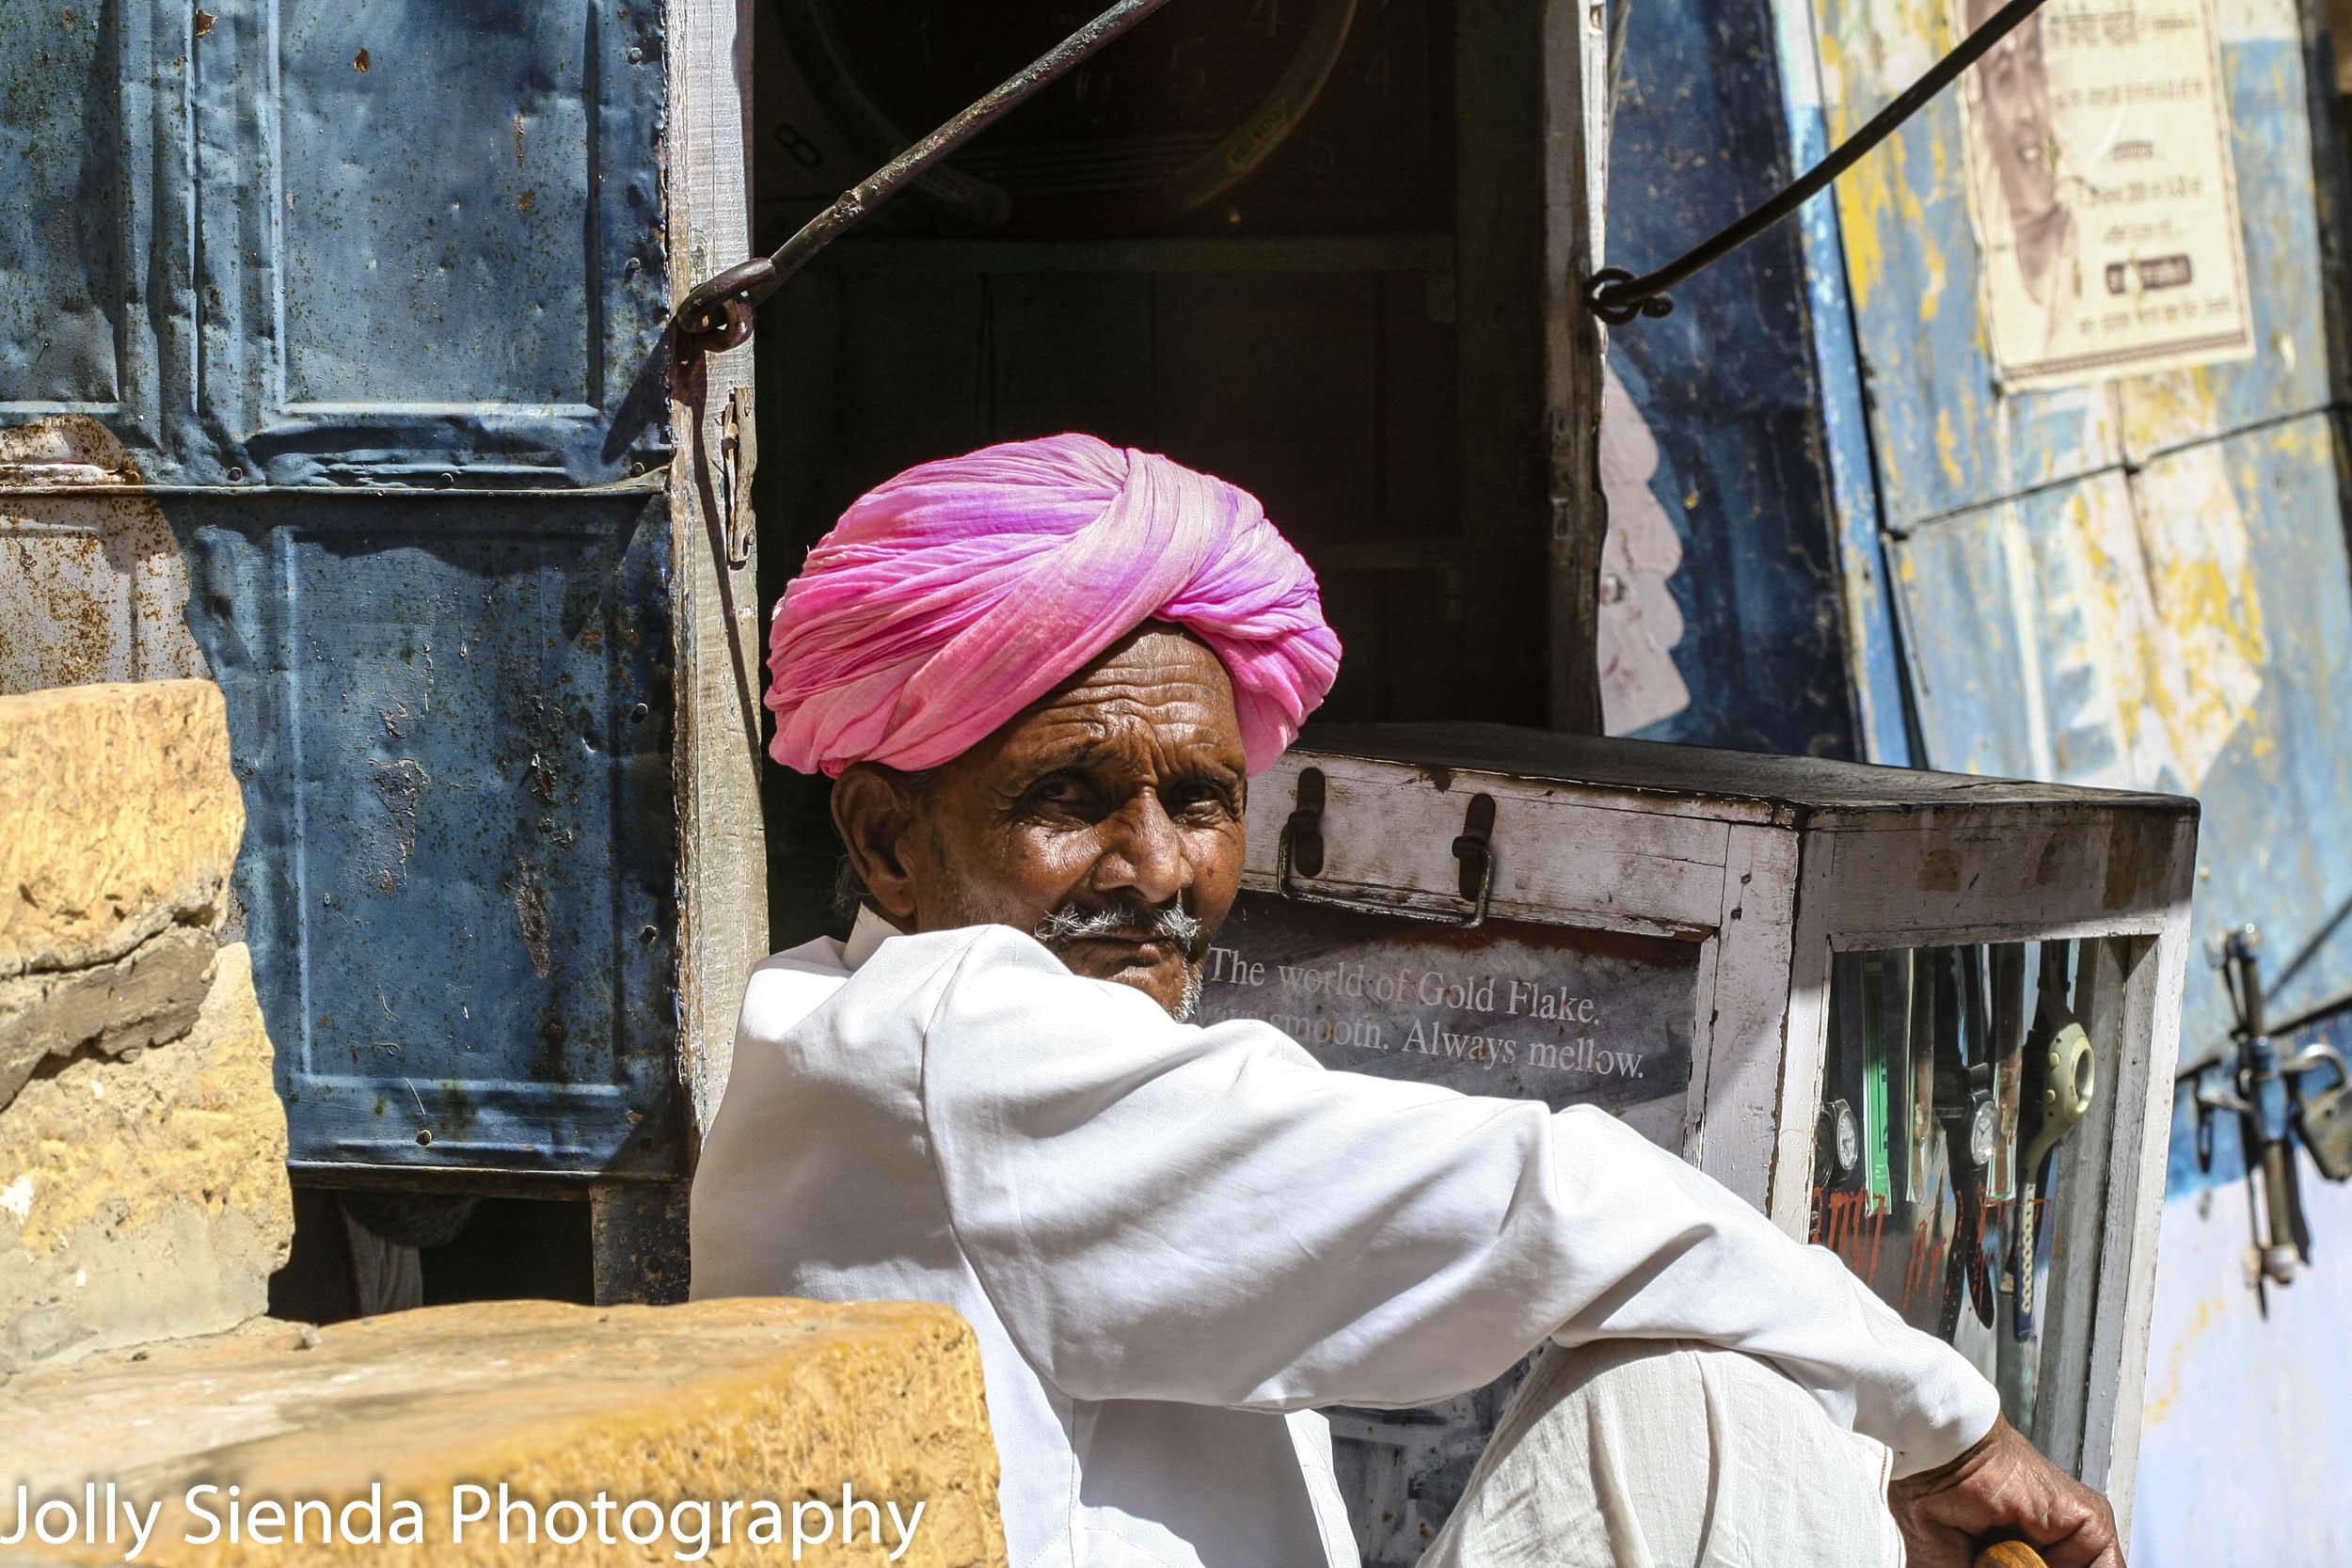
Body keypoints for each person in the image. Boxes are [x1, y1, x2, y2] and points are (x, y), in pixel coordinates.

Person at [691, 434, 2122, 1568]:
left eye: (1202, 803)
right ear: (886, 839)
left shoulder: (843, 1030)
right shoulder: (959, 1038)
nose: (1154, 869)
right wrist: (1954, 1430)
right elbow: (1542, 1206)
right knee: (1719, 1428)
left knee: (1698, 1412)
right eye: (1067, 801)